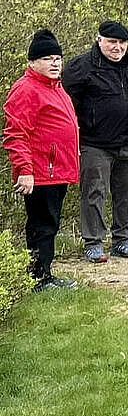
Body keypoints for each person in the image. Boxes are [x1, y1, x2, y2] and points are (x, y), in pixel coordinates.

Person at [62, 20, 128, 263]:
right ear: (99, 40)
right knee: (94, 192)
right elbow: (64, 103)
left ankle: (122, 240)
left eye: (122, 43)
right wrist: (68, 136)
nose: (118, 47)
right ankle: (93, 243)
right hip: (94, 142)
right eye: (112, 42)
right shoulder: (81, 67)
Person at [4, 30, 81, 291]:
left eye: (58, 58)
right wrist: (24, 170)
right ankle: (39, 278)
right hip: (40, 171)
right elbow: (15, 134)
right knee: (42, 225)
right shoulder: (26, 89)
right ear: (33, 62)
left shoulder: (56, 88)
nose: (55, 63)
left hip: (57, 170)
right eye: (48, 58)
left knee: (48, 223)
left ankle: (41, 273)